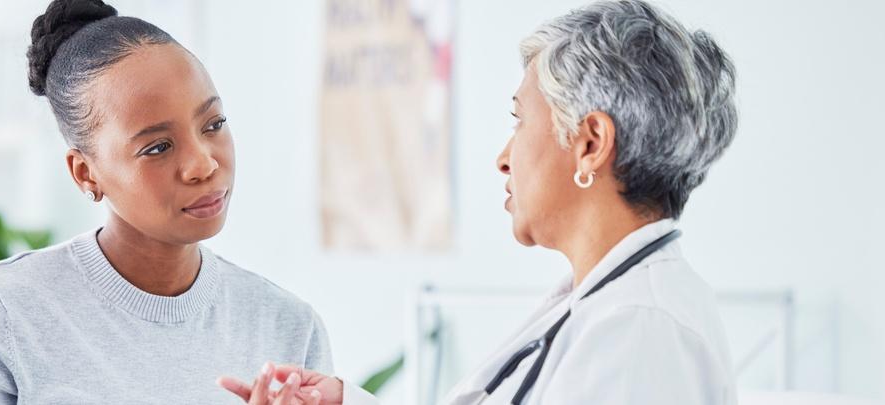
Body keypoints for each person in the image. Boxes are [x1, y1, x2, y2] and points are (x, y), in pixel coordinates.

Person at [219, 0, 739, 403]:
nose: (503, 157)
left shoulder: (638, 328)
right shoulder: (608, 305)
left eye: (520, 120)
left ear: (590, 144)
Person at [0, 0, 333, 403]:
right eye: (158, 147)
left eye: (213, 124)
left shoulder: (289, 328)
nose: (203, 164)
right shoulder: (6, 313)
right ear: (85, 173)